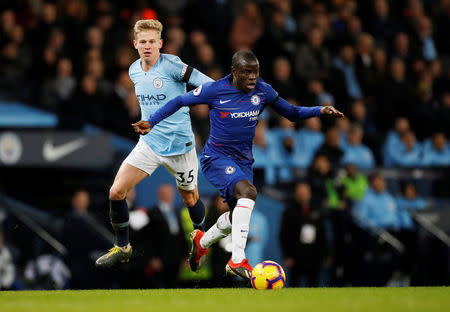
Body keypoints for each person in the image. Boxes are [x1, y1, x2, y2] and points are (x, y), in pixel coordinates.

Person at [132, 50, 344, 281]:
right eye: (246, 72)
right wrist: (151, 121)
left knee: (236, 217)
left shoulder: (263, 90)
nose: (252, 77)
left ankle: (201, 242)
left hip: (243, 162)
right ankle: (237, 260)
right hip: (216, 158)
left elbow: (291, 113)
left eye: (255, 72)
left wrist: (319, 110)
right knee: (249, 193)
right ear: (234, 72)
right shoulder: (215, 90)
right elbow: (180, 100)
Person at [96, 19, 213, 268]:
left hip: (180, 147)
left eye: (152, 42)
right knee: (116, 192)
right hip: (149, 143)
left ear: (160, 43)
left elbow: (208, 85)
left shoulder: (173, 65)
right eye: (143, 42)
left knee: (190, 199)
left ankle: (200, 240)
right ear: (135, 44)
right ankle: (123, 246)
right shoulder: (133, 70)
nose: (147, 46)